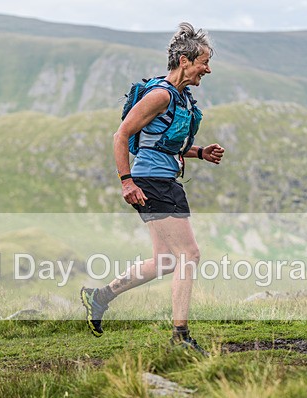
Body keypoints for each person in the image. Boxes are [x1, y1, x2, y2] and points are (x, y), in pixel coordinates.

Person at [81, 22, 225, 354]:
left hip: (162, 180)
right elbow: (121, 135)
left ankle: (99, 297)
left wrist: (199, 152)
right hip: (151, 182)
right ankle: (180, 337)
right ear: (186, 60)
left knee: (164, 260)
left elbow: (159, 143)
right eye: (204, 61)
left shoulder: (180, 97)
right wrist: (126, 181)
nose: (208, 68)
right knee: (190, 255)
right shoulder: (160, 94)